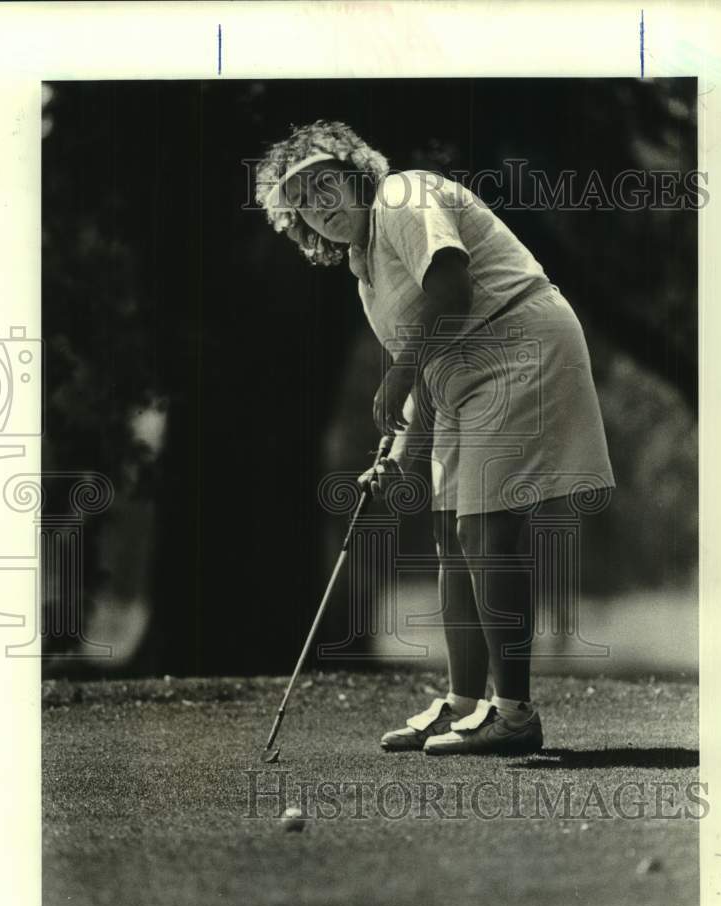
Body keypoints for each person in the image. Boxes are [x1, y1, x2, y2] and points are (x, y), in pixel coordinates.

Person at [256, 120, 615, 756]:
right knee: (452, 533)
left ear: (356, 175)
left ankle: (515, 715)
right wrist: (396, 456)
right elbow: (427, 360)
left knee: (486, 528)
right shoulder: (364, 271)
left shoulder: (399, 196)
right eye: (304, 202)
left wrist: (397, 371)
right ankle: (465, 705)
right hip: (464, 375)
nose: (322, 206)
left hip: (518, 346)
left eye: (327, 185)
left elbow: (452, 285)